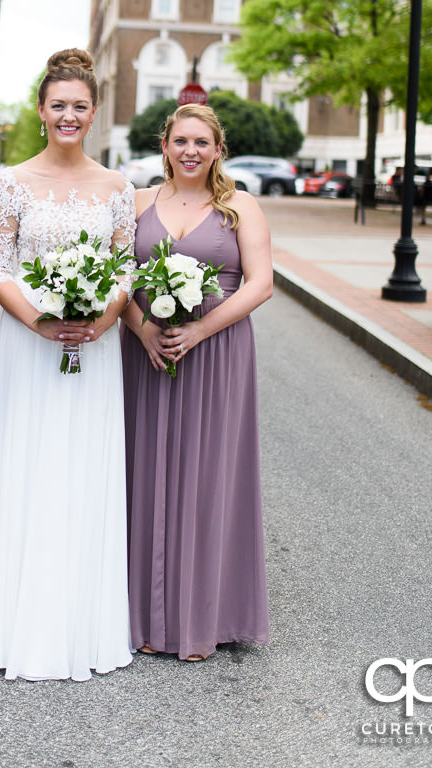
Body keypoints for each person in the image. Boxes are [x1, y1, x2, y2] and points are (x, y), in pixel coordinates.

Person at [0, 49, 135, 681]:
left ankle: (81, 622)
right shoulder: (10, 183)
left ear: (93, 113)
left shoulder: (118, 187)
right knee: (26, 462)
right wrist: (42, 321)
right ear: (40, 110)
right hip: (31, 347)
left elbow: (126, 267)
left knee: (84, 467)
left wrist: (101, 319)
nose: (68, 115)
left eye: (79, 107)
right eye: (57, 105)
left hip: (95, 346)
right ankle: (9, 619)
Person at [120, 104, 272, 661]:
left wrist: (200, 330)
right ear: (164, 146)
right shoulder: (137, 203)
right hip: (148, 352)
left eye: (201, 142)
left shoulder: (239, 207)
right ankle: (142, 614)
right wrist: (141, 332)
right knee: (145, 468)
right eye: (180, 140)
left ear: (218, 150)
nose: (190, 151)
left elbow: (260, 284)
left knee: (208, 473)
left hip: (217, 354)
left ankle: (202, 615)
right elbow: (117, 282)